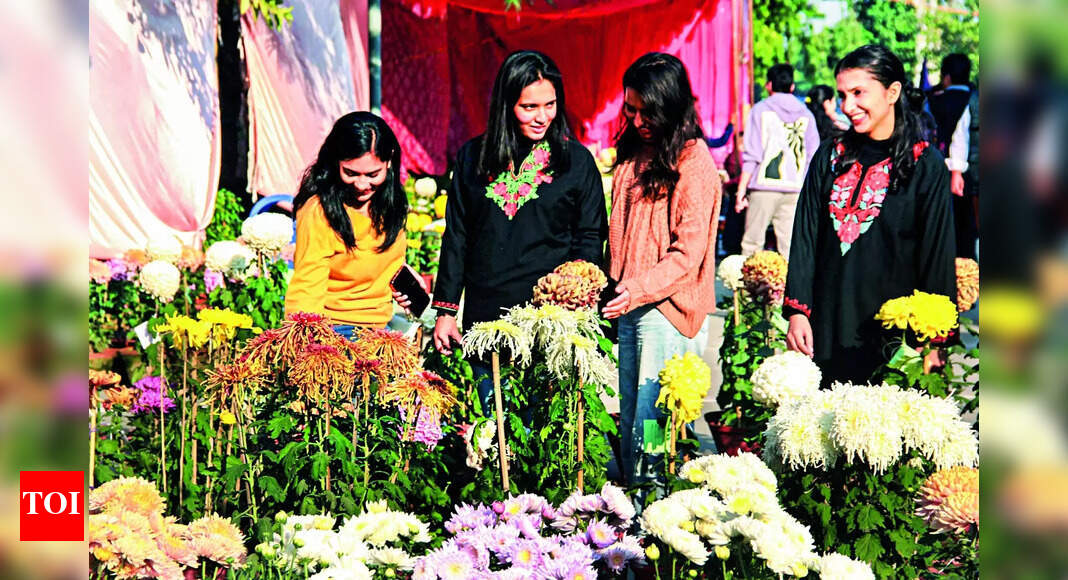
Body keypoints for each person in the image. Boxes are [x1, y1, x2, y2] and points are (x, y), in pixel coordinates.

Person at [432, 50, 608, 413]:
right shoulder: (472, 159)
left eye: (550, 104)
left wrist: (575, 303)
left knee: (546, 438)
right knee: (497, 433)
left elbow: (590, 237)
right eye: (529, 107)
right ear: (506, 104)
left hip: (550, 326)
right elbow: (457, 236)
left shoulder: (575, 162)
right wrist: (446, 310)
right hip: (486, 323)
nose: (542, 116)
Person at [784, 44, 957, 384]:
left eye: (858, 92)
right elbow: (805, 236)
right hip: (826, 326)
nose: (848, 106)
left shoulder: (925, 165)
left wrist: (934, 342)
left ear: (892, 92)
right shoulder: (830, 156)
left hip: (896, 341)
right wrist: (797, 312)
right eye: (842, 94)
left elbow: (937, 253)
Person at [602, 53, 722, 485]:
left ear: (671, 107)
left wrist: (634, 290)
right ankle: (641, 499)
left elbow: (686, 256)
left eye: (646, 112)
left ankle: (653, 498)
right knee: (633, 412)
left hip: (667, 313)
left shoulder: (694, 164)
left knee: (654, 420)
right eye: (630, 110)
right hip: (633, 305)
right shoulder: (637, 152)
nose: (636, 120)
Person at [285, 112, 412, 339]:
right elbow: (308, 284)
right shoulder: (319, 210)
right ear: (335, 162)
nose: (362, 185)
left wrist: (402, 276)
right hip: (336, 330)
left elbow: (381, 260)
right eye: (351, 173)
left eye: (373, 174)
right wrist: (304, 341)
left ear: (389, 161)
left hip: (382, 328)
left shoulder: (390, 202)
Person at [736, 64, 820, 259]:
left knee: (752, 245)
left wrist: (741, 190)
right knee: (790, 249)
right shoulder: (806, 114)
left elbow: (752, 154)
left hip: (764, 187)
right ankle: (789, 289)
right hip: (795, 189)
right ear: (792, 87)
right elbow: (812, 155)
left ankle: (748, 289)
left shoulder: (760, 111)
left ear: (769, 85)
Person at [927, 53, 977, 258]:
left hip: (940, 171)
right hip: (975, 174)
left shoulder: (932, 101)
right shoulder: (975, 99)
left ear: (946, 77)